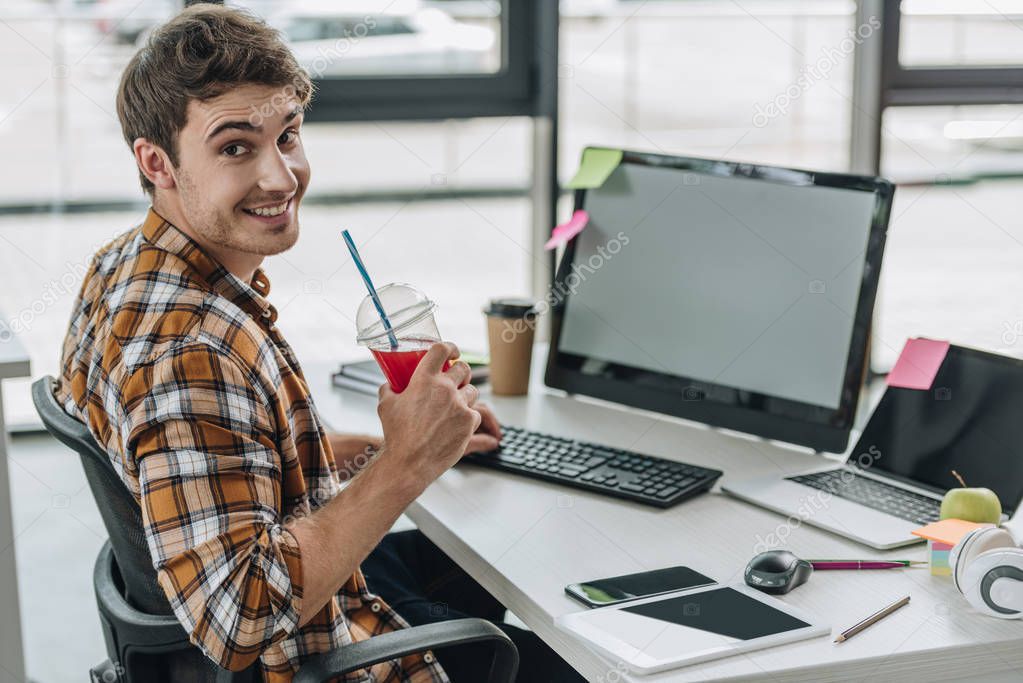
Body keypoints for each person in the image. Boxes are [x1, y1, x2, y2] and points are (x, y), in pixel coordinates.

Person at [55, 4, 581, 682]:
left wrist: (391, 445)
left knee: (513, 570)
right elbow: (239, 618)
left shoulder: (123, 265)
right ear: (156, 161)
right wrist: (407, 465)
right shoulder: (192, 352)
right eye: (235, 147)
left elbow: (221, 462)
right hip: (313, 655)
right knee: (590, 652)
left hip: (301, 601)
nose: (281, 177)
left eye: (288, 136)